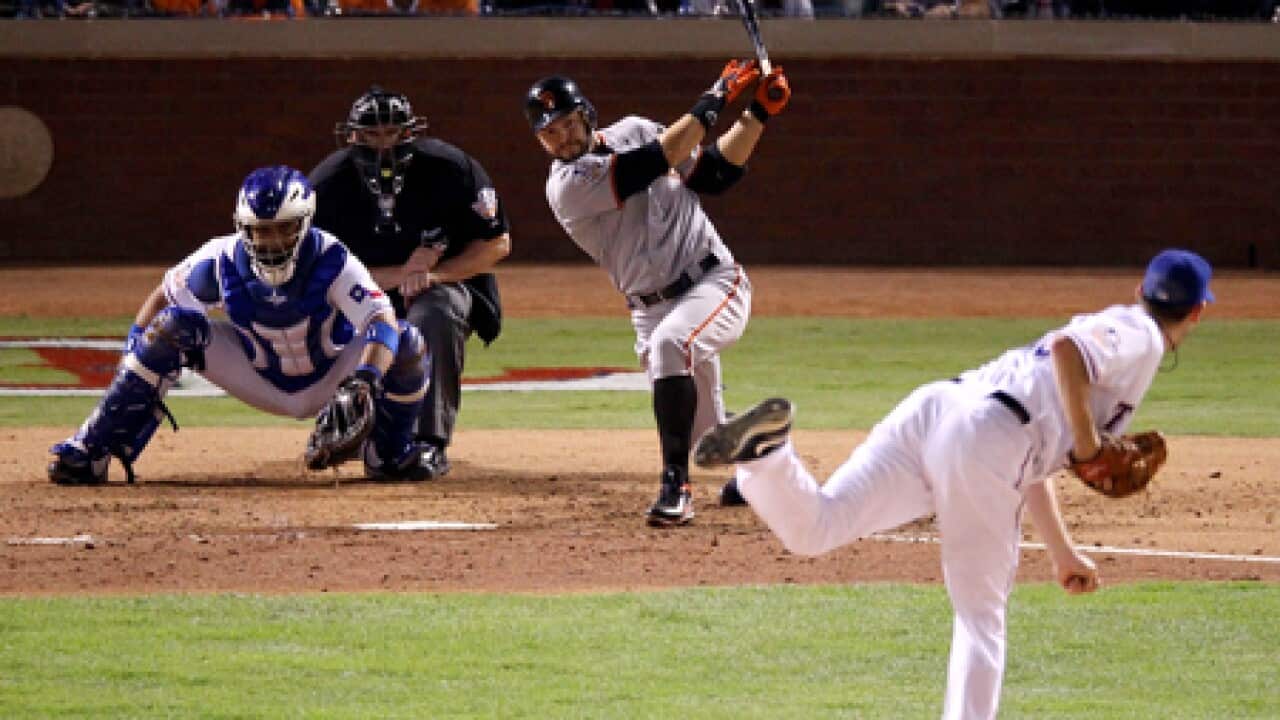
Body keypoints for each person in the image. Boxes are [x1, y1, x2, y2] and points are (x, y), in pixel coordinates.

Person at [694, 249, 1214, 720]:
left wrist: (1061, 551)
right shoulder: (1141, 334)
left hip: (942, 412)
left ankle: (768, 456)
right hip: (986, 439)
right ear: (1197, 312)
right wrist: (1086, 444)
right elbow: (1067, 350)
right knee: (981, 618)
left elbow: (1031, 459)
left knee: (816, 528)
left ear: (1141, 288)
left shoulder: (1126, 334)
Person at [48, 166, 437, 485]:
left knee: (406, 341)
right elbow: (162, 299)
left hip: (333, 377)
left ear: (304, 224)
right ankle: (91, 450)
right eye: (261, 229)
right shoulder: (219, 258)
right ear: (242, 226)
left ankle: (388, 455)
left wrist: (364, 380)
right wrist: (132, 367)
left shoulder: (332, 258)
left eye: (283, 228)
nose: (271, 241)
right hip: (256, 374)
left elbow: (381, 318)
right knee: (172, 327)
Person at [525, 61, 791, 526]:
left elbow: (714, 175)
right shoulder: (565, 186)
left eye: (568, 123)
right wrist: (717, 94)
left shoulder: (636, 129)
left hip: (715, 282)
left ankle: (676, 487)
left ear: (586, 114)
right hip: (650, 308)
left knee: (673, 346)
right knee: (707, 441)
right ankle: (762, 469)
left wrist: (756, 113)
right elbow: (651, 163)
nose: (562, 137)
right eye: (550, 133)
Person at [309, 87, 511, 479]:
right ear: (351, 136)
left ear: (411, 133)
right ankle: (343, 420)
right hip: (359, 292)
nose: (383, 146)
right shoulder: (327, 184)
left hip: (438, 287)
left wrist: (434, 274)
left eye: (392, 134)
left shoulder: (452, 168)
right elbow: (314, 268)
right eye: (370, 135)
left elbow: (496, 243)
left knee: (436, 310)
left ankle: (427, 443)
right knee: (310, 309)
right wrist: (397, 276)